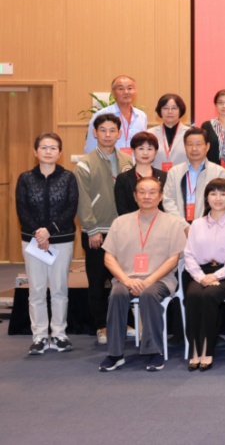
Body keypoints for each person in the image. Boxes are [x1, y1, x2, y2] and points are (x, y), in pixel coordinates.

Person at [99, 177, 186, 372]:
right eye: (142, 192)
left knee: (149, 294)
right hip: (126, 279)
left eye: (152, 192)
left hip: (160, 280)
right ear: (135, 196)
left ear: (160, 196)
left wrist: (148, 281)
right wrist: (127, 280)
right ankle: (115, 353)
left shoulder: (172, 223)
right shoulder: (120, 222)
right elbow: (108, 258)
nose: (147, 196)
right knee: (117, 294)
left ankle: (154, 351)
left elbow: (173, 259)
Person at [16, 132, 78, 355]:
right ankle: (40, 336)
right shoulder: (25, 178)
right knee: (37, 290)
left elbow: (71, 208)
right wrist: (39, 233)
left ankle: (59, 333)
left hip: (61, 240)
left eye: (53, 148)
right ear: (35, 151)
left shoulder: (69, 177)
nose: (48, 151)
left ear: (60, 153)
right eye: (44, 147)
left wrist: (49, 231)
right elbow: (22, 209)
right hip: (32, 242)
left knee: (59, 288)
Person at [75, 114, 134, 344]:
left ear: (119, 133)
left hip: (123, 232)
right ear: (95, 133)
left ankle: (126, 322)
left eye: (112, 130)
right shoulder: (85, 163)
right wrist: (91, 229)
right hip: (97, 232)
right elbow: (82, 200)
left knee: (124, 280)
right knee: (98, 283)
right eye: (103, 130)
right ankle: (101, 325)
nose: (108, 135)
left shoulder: (127, 160)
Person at [182, 178, 225, 371]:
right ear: (206, 198)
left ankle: (207, 350)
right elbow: (189, 255)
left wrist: (217, 276)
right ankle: (195, 349)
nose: (218, 198)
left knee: (209, 295)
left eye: (223, 194)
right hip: (200, 273)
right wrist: (201, 277)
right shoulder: (196, 224)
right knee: (193, 295)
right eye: (213, 193)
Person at [162, 126, 225, 226]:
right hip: (179, 228)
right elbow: (168, 201)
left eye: (198, 144)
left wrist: (201, 226)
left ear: (207, 146)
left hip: (208, 227)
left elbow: (219, 202)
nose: (194, 148)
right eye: (190, 144)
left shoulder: (218, 172)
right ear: (185, 147)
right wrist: (184, 226)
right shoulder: (174, 172)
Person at [84, 75, 147, 154]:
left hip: (134, 161)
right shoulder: (101, 115)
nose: (126, 92)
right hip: (108, 161)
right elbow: (91, 147)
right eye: (121, 89)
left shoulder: (141, 116)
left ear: (135, 91)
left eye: (130, 88)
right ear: (113, 93)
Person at [114, 131, 167, 216]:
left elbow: (166, 205)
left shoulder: (164, 177)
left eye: (149, 149)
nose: (145, 153)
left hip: (160, 222)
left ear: (156, 152)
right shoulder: (123, 179)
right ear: (133, 151)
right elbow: (122, 209)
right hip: (131, 223)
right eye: (141, 148)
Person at [147, 93, 189, 172]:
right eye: (165, 108)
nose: (170, 112)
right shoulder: (150, 134)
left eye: (174, 108)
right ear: (160, 110)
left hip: (182, 176)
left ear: (180, 110)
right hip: (157, 177)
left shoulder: (190, 133)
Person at [201, 89, 225, 168]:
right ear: (215, 105)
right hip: (212, 170)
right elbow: (203, 150)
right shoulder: (207, 126)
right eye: (220, 103)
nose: (224, 106)